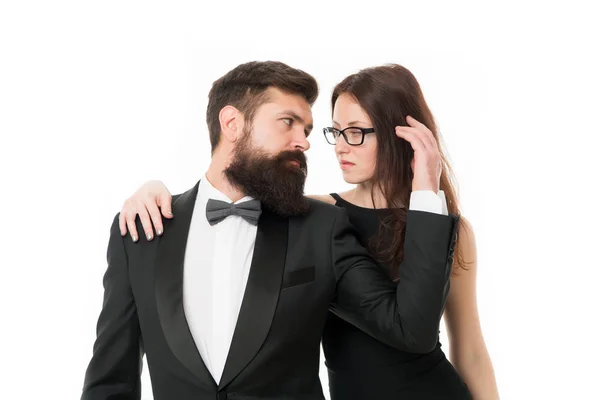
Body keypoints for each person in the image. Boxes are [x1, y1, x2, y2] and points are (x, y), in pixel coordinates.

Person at [82, 61, 458, 400]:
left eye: (308, 128)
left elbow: (412, 329)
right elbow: (111, 382)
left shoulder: (321, 229)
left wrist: (425, 190)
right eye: (287, 122)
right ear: (232, 123)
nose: (305, 141)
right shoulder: (141, 230)